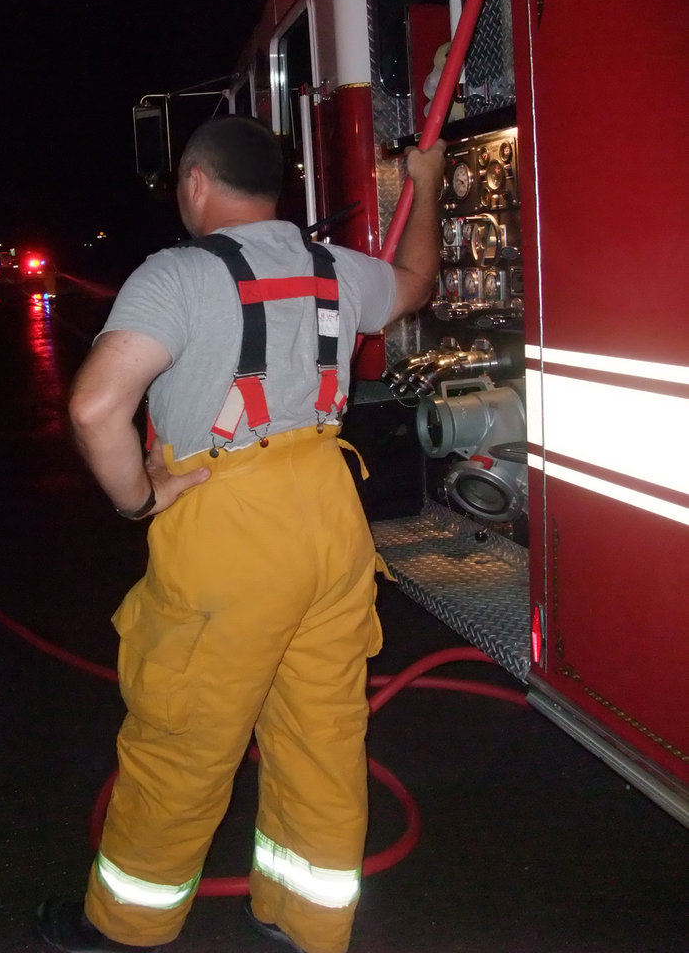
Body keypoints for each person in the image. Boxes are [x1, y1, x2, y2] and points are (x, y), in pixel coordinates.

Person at [38, 117, 445, 953]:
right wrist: (427, 184)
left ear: (195, 184)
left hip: (229, 527)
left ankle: (126, 927)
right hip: (333, 518)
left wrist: (139, 499)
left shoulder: (177, 275)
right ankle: (302, 921)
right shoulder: (338, 271)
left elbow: (94, 407)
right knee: (323, 733)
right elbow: (415, 282)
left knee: (184, 737)